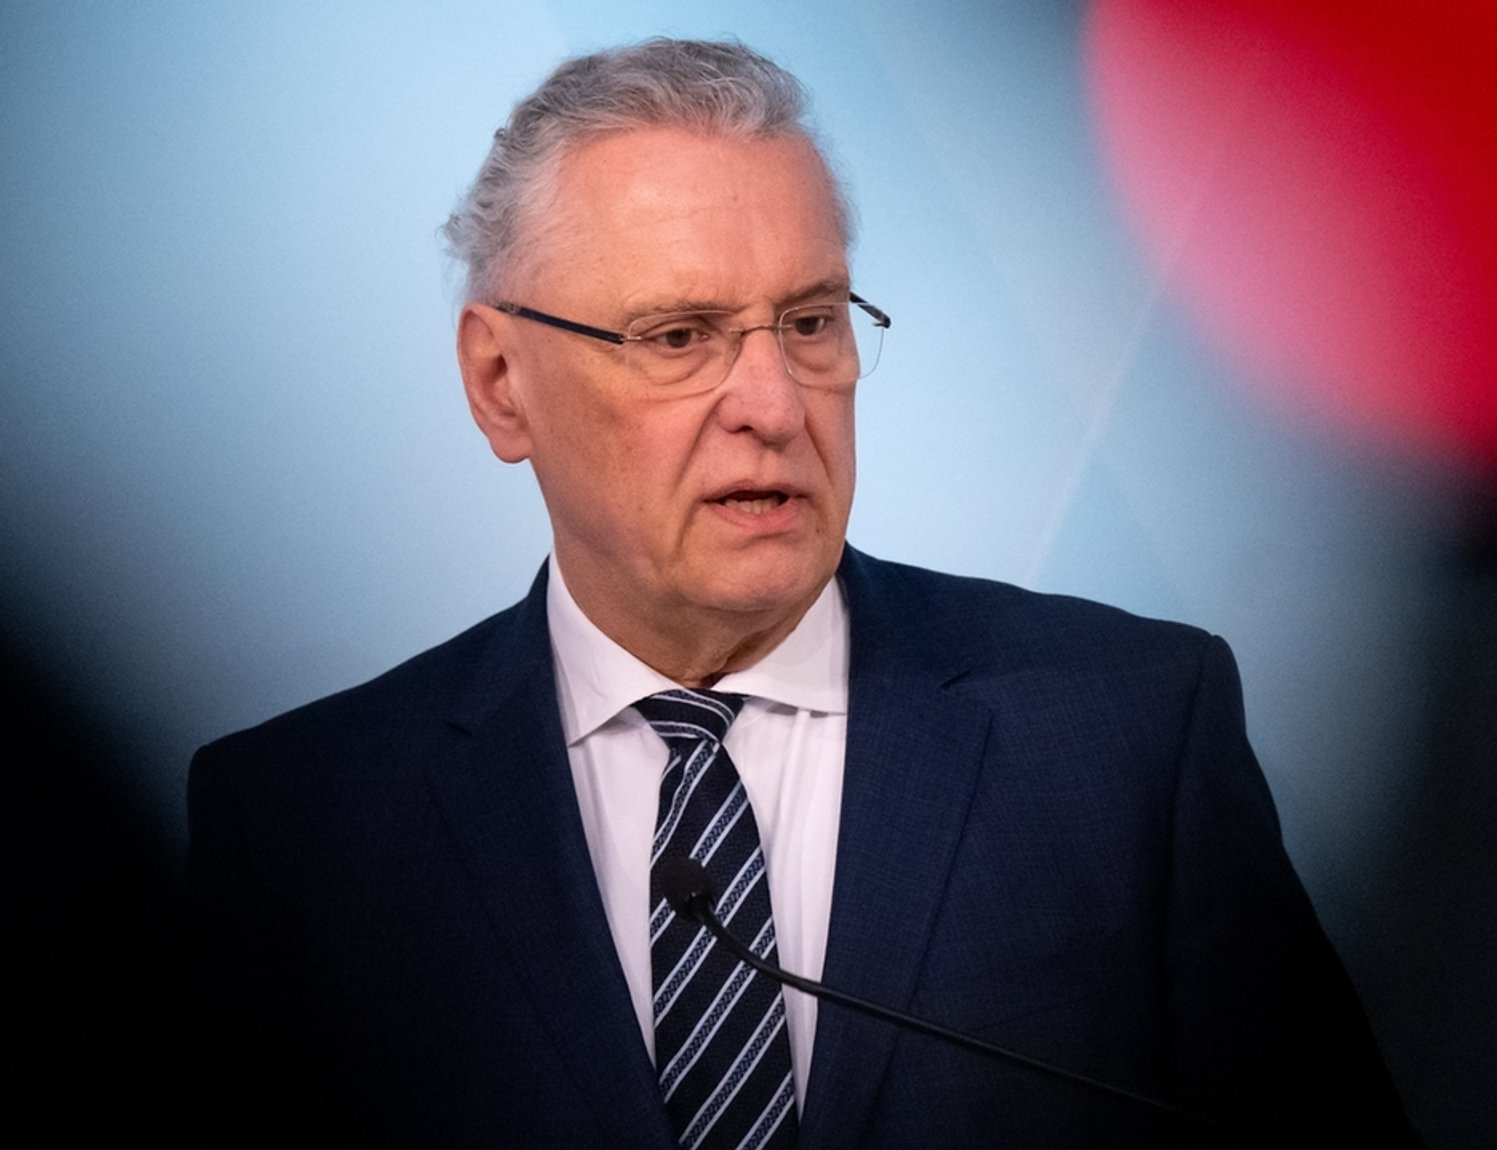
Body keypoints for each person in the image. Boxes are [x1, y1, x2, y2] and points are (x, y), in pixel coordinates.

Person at [185, 37, 1414, 1148]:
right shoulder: (306, 827)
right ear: (501, 382)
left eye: (810, 322)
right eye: (678, 337)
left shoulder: (1127, 732)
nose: (774, 407)